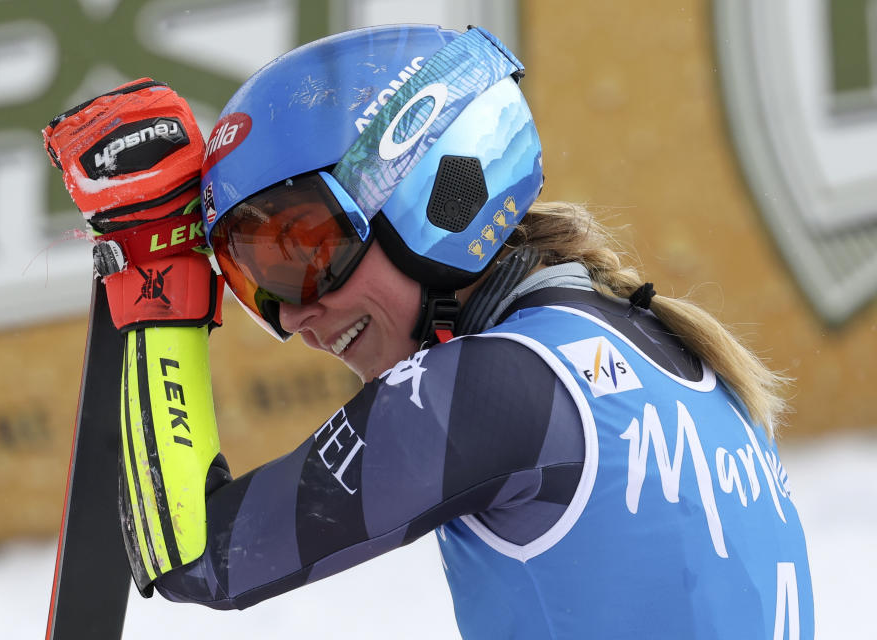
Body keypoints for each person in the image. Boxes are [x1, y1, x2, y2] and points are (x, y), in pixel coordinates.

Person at [44, 24, 814, 639]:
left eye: (306, 254)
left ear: (438, 197)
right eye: (256, 284)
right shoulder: (668, 351)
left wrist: (161, 279)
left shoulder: (502, 386)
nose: (299, 317)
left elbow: (192, 553)